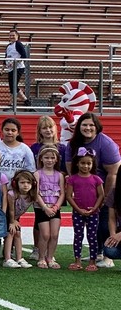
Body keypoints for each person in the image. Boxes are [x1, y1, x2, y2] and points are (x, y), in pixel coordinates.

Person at [64, 112, 120, 268]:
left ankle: (108, 256)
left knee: (103, 223)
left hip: (103, 188)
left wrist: (104, 198)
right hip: (84, 191)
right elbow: (71, 169)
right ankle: (97, 253)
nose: (87, 128)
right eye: (84, 125)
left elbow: (113, 173)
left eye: (91, 125)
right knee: (85, 229)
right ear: (79, 126)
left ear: (97, 127)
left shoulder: (106, 143)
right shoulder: (73, 144)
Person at [66, 153, 105, 271]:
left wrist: (94, 208)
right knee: (78, 236)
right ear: (77, 163)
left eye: (89, 163)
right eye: (83, 163)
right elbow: (68, 196)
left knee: (92, 236)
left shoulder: (96, 179)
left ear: (92, 164)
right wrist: (78, 210)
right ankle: (77, 260)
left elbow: (101, 195)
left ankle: (92, 261)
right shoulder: (72, 179)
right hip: (78, 213)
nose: (86, 166)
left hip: (93, 213)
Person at [33, 147, 65, 268]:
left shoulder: (59, 175)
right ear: (41, 158)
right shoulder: (37, 174)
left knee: (54, 234)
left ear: (56, 160)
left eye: (52, 158)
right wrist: (45, 207)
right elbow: (35, 193)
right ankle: (41, 257)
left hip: (55, 208)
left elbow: (62, 193)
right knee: (45, 234)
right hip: (42, 208)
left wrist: (56, 206)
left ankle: (50, 257)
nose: (49, 160)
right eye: (46, 157)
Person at [5, 170, 37, 268]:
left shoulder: (31, 195)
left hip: (16, 217)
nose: (25, 185)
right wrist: (12, 221)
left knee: (18, 234)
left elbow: (21, 210)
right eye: (22, 183)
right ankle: (7, 259)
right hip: (6, 216)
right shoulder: (11, 194)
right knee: (11, 233)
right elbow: (10, 210)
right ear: (16, 183)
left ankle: (19, 258)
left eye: (28, 183)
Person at [4, 29, 30, 106]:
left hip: (18, 68)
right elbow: (6, 57)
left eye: (13, 35)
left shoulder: (18, 44)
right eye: (10, 35)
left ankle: (13, 103)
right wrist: (2, 68)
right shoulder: (9, 46)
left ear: (17, 36)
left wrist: (15, 62)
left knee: (13, 85)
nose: (11, 37)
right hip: (10, 68)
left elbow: (24, 56)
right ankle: (25, 101)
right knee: (12, 86)